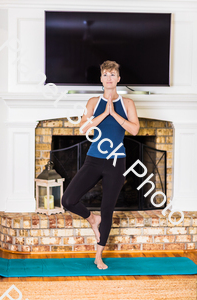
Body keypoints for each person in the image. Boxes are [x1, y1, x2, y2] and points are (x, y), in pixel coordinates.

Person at [62, 60, 140, 269]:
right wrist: (104, 113)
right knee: (68, 199)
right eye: (105, 74)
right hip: (94, 160)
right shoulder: (93, 102)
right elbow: (82, 128)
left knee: (108, 209)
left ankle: (98, 256)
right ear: (101, 79)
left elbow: (134, 130)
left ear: (118, 79)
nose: (109, 78)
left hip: (116, 161)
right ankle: (91, 219)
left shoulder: (128, 104)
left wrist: (114, 113)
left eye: (112, 74)